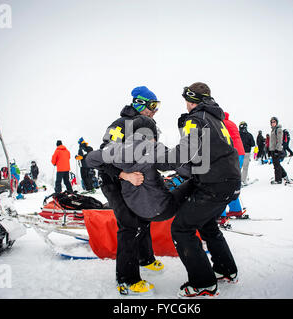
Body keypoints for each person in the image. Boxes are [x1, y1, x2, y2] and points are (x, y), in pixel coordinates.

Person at [168, 82, 241, 298]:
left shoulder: (195, 118)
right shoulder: (215, 118)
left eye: (187, 101)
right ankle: (226, 269)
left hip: (215, 184)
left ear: (191, 101)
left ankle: (203, 284)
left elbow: (185, 151)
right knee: (207, 224)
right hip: (228, 180)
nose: (187, 105)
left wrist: (156, 160)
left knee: (181, 228)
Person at [93, 86, 164, 296]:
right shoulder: (120, 125)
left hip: (134, 181)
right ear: (140, 103)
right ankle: (127, 280)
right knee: (129, 225)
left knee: (143, 217)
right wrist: (124, 175)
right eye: (152, 105)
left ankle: (145, 258)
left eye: (157, 106)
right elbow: (102, 157)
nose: (155, 110)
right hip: (114, 181)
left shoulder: (147, 126)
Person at [218, 112, 246, 223]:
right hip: (240, 153)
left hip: (231, 154)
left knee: (222, 183)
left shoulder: (221, 123)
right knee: (232, 182)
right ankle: (235, 209)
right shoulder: (231, 123)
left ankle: (221, 215)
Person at [269, 117, 288, 184]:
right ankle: (284, 175)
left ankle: (278, 180)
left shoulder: (278, 129)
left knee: (276, 165)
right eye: (272, 122)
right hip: (273, 149)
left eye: (274, 122)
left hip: (276, 150)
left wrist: (277, 150)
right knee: (276, 164)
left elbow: (279, 141)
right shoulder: (273, 130)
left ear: (276, 122)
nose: (273, 123)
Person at [238, 121, 255, 185]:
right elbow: (253, 144)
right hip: (246, 152)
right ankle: (242, 180)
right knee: (245, 167)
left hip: (239, 152)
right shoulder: (249, 135)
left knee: (239, 167)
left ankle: (238, 180)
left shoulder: (237, 134)